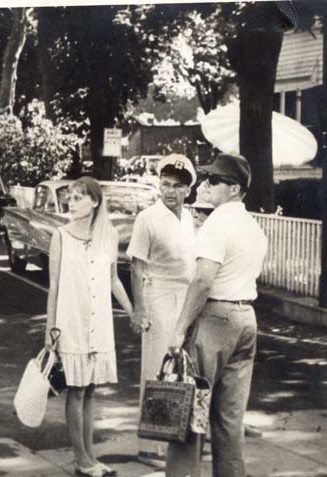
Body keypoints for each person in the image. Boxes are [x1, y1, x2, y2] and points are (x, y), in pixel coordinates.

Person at [167, 153, 268, 477]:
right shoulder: (254, 228)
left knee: (189, 414)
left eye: (214, 180)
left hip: (214, 320)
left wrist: (180, 328)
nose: (206, 185)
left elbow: (202, 280)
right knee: (229, 421)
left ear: (235, 189)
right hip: (246, 319)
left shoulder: (217, 224)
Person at [44, 176, 134, 477]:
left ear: (95, 201)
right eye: (71, 196)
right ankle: (81, 459)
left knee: (91, 389)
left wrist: (133, 311)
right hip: (71, 322)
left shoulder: (108, 235)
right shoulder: (60, 236)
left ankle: (90, 457)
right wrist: (50, 331)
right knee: (76, 389)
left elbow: (113, 280)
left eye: (80, 197)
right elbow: (54, 286)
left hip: (99, 322)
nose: (72, 201)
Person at [126, 154, 197, 466]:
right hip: (158, 296)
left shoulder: (189, 218)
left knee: (183, 371)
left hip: (186, 297)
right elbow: (136, 266)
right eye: (165, 184)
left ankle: (176, 438)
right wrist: (139, 309)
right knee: (157, 369)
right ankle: (148, 446)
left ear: (187, 191)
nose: (170, 191)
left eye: (177, 186)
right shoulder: (148, 218)